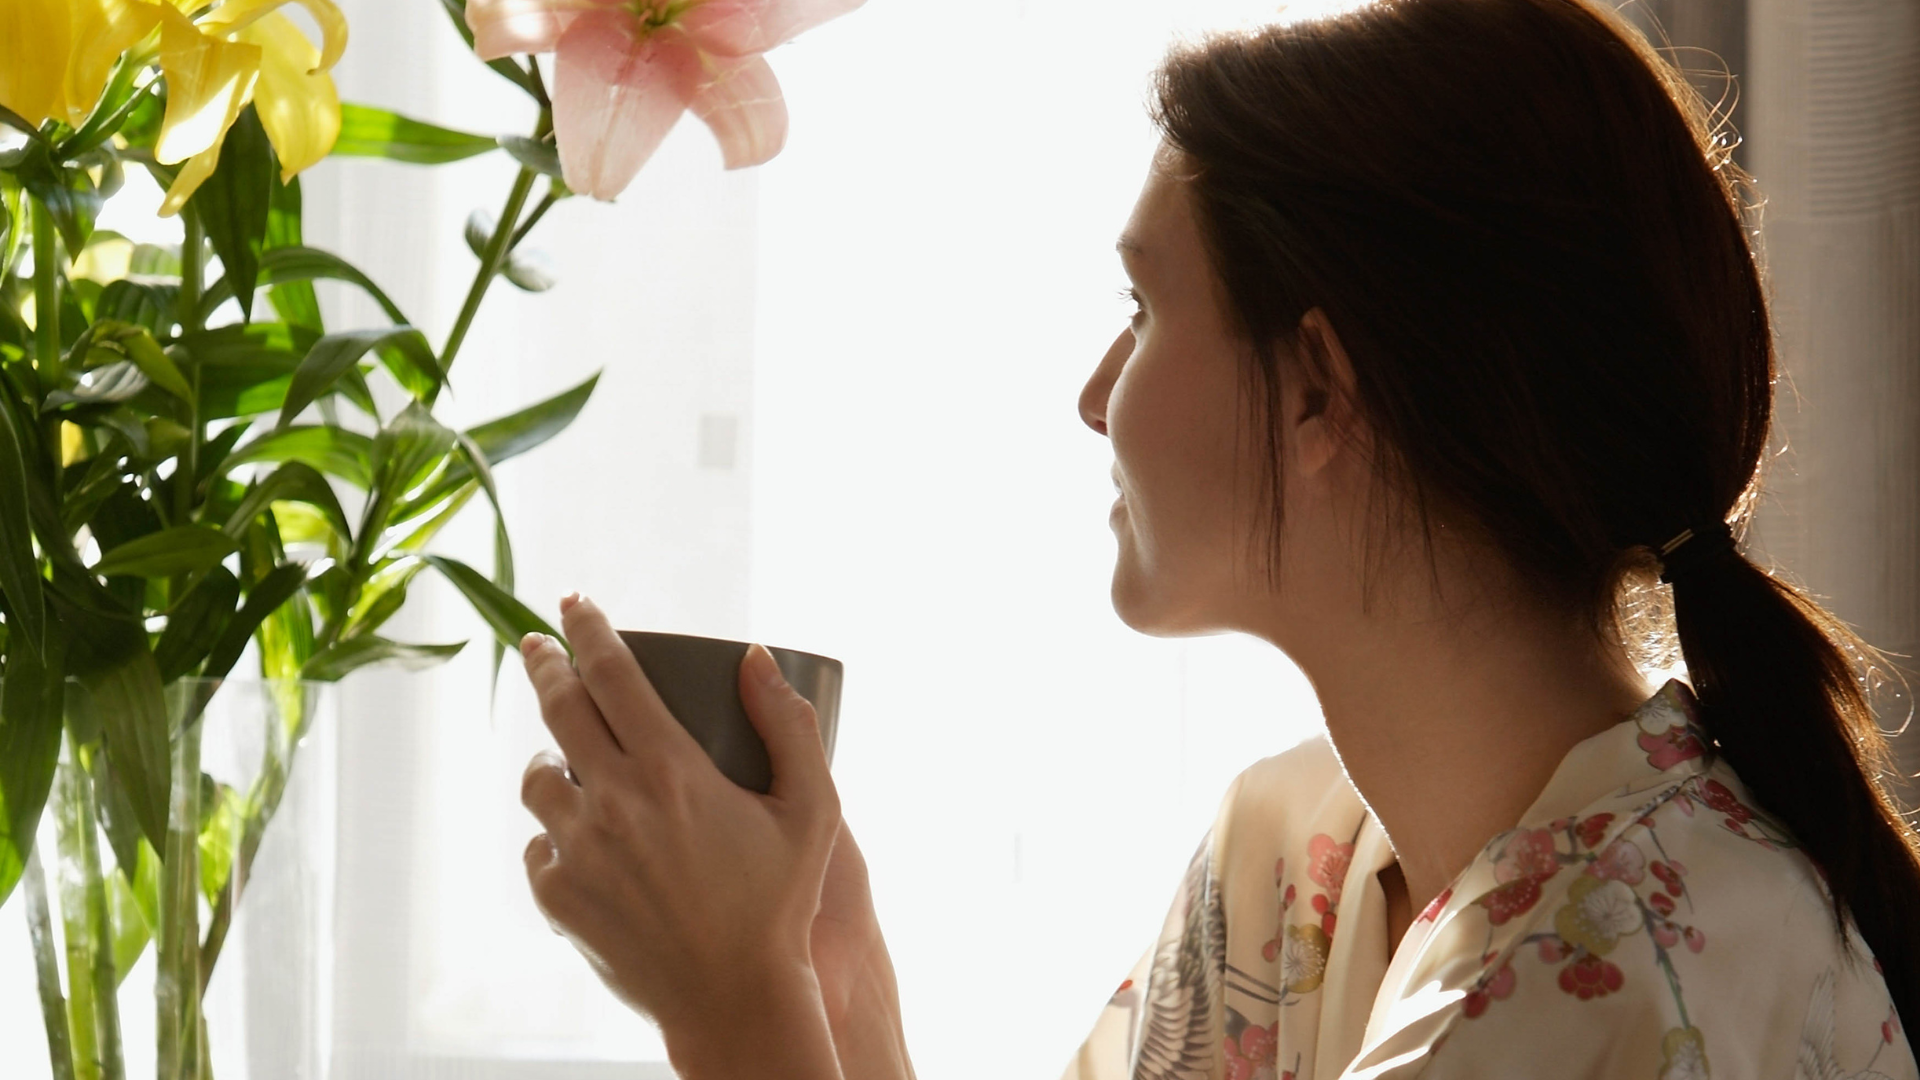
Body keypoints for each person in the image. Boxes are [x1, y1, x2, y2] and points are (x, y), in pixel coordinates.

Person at [509, 0, 1920, 1077]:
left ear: (1318, 387)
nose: (1089, 395)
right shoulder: (1294, 862)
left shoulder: (1604, 986)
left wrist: (736, 1016)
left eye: (1141, 308)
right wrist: (838, 994)